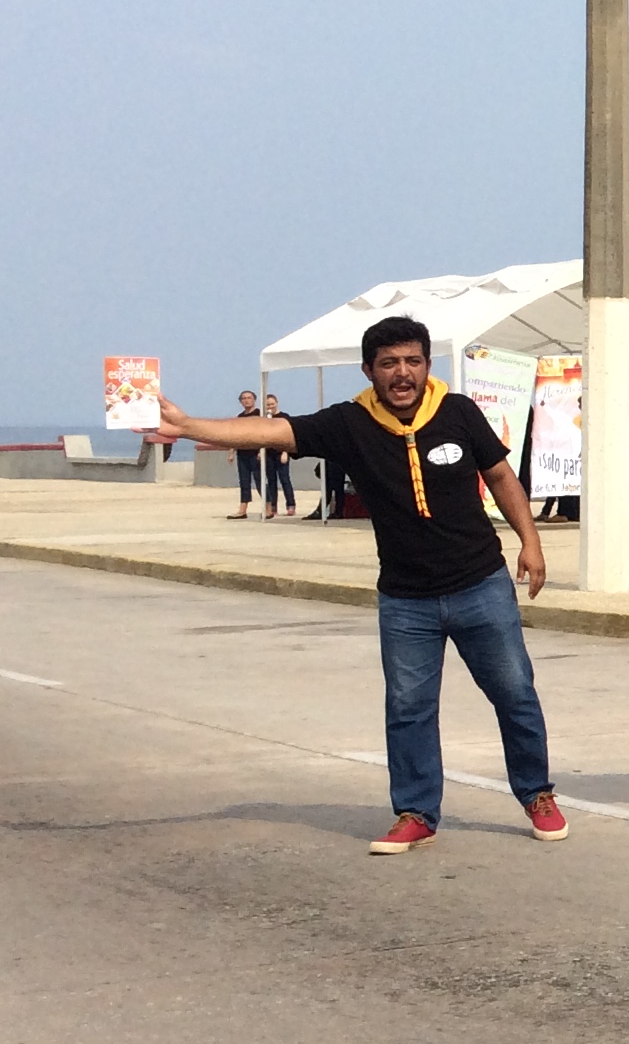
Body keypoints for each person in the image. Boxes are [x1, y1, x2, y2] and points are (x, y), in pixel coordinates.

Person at [154, 318, 566, 855]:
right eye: (389, 363)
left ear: (427, 366)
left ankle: (536, 794)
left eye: (412, 361)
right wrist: (188, 426)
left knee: (514, 693)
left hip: (480, 585)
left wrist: (530, 542)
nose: (402, 373)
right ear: (369, 370)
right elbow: (271, 433)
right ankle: (416, 812)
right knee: (409, 708)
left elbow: (501, 477)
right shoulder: (349, 423)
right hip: (405, 600)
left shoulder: (458, 412)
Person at [259, 394, 299, 517]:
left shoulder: (284, 417)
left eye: (272, 404)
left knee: (285, 479)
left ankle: (291, 505)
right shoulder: (264, 419)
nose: (270, 406)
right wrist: (260, 451)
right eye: (268, 405)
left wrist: (285, 452)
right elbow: (261, 436)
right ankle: (273, 507)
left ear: (276, 403)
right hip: (268, 453)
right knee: (271, 481)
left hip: (281, 452)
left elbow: (288, 436)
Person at [228, 391, 264, 517]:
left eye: (249, 398)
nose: (246, 400)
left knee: (260, 480)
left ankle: (268, 506)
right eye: (244, 398)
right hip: (242, 453)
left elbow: (265, 433)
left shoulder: (260, 414)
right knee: (244, 481)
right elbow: (236, 436)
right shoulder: (240, 417)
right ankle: (243, 509)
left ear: (254, 400)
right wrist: (231, 451)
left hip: (256, 452)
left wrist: (261, 450)